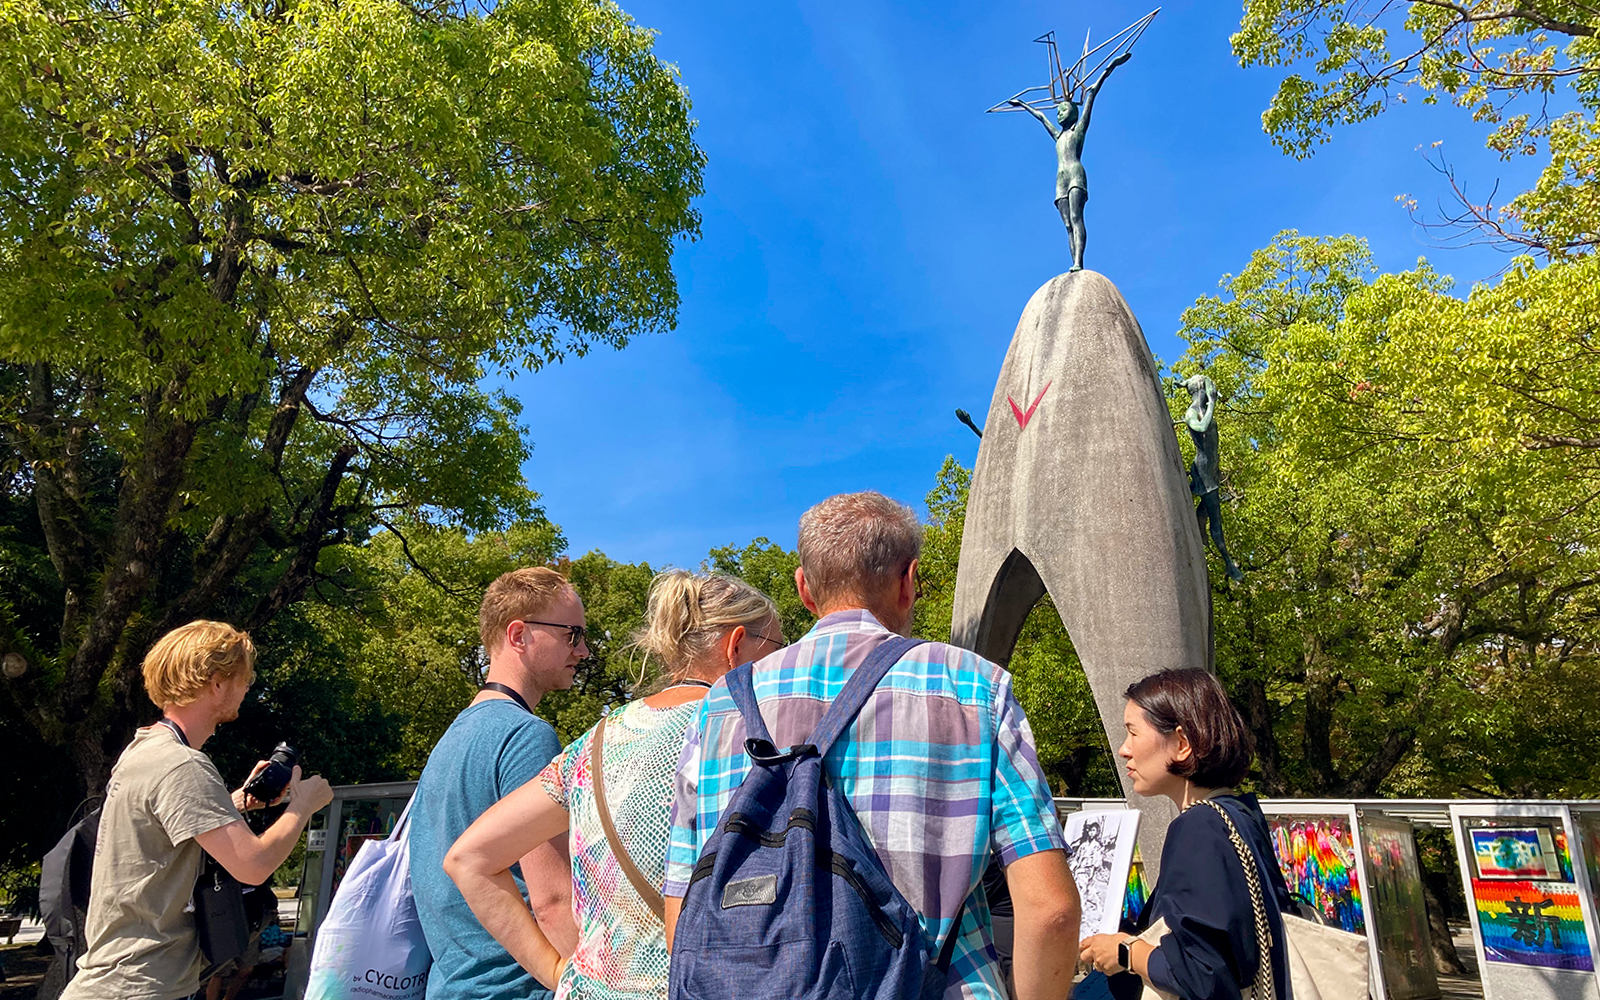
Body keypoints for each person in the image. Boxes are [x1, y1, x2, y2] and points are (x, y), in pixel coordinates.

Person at [662, 491, 1081, 1000]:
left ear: (804, 589)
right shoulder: (974, 687)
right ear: (908, 581)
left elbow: (685, 912)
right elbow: (1050, 909)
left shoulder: (722, 705)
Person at [446, 571, 782, 999]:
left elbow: (469, 859)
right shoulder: (755, 738)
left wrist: (559, 974)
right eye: (776, 649)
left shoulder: (591, 744)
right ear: (735, 646)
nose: (780, 663)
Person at [61, 621, 334, 1000]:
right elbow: (253, 865)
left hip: (118, 980)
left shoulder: (142, 750)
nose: (246, 689)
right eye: (243, 680)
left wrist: (233, 802)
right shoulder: (183, 765)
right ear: (217, 683)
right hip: (142, 987)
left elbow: (161, 823)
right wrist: (302, 807)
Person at [410, 566, 585, 1000]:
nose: (583, 650)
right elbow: (552, 901)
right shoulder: (526, 736)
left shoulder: (451, 739)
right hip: (518, 988)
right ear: (519, 635)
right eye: (572, 634)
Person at [1079, 668, 1293, 1000]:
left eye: (1133, 733)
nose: (1123, 750)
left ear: (1181, 744)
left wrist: (1125, 953)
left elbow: (1204, 974)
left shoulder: (1198, 828)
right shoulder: (1240, 815)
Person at [1007, 51, 1131, 272]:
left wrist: (1112, 65)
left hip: (1075, 174)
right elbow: (1040, 117)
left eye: (1063, 109)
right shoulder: (1058, 135)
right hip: (1060, 179)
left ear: (1073, 111)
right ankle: (1072, 260)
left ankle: (1078, 262)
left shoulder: (1078, 130)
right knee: (1066, 225)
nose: (1059, 114)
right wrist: (1023, 105)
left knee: (1076, 217)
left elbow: (1092, 93)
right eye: (1058, 112)